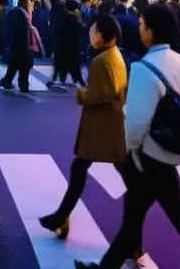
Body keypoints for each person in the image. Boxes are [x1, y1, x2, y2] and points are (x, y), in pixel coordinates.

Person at [76, 3, 180, 269]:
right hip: (173, 148)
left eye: (142, 25)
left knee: (178, 222)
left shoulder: (145, 68)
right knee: (141, 217)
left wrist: (129, 153)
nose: (139, 29)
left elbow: (137, 123)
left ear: (152, 31)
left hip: (150, 156)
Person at [41, 13, 127, 240]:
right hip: (112, 124)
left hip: (101, 126)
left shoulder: (101, 61)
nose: (89, 34)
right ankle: (61, 216)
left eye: (92, 30)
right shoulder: (116, 56)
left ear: (101, 35)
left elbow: (99, 94)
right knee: (85, 168)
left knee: (81, 169)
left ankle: (62, 217)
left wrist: (81, 94)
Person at [0, 0, 35, 94]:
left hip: (15, 44)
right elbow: (21, 31)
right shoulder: (22, 15)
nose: (31, 7)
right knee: (23, 66)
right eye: (30, 4)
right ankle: (22, 85)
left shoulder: (14, 12)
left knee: (14, 66)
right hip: (21, 44)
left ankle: (7, 82)